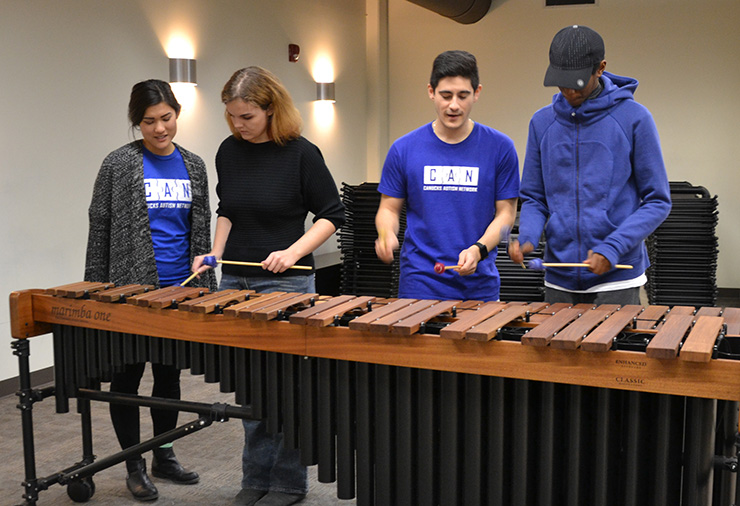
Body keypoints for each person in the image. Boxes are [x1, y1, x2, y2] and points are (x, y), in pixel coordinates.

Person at [190, 66, 345, 506]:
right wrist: (213, 253)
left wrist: (294, 252)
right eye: (233, 116)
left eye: (247, 116)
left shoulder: (302, 154)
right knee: (250, 387)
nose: (238, 125)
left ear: (271, 110)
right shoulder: (228, 151)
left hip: (288, 285)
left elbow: (333, 214)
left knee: (287, 388)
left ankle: (288, 484)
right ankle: (255, 478)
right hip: (234, 279)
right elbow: (228, 208)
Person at [85, 79, 216, 501]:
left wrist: (205, 288)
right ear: (135, 123)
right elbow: (99, 230)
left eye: (166, 118)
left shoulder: (193, 165)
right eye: (148, 122)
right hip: (129, 290)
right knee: (126, 377)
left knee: (168, 374)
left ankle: (164, 453)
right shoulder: (118, 164)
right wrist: (94, 291)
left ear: (177, 114)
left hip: (180, 288)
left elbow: (201, 231)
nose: (159, 129)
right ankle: (134, 463)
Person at [508, 25, 671, 305]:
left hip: (619, 277)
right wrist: (528, 237)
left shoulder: (634, 118)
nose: (569, 90)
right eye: (562, 81)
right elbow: (535, 197)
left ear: (600, 68)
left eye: (578, 82)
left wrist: (613, 247)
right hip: (559, 277)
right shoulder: (542, 123)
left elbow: (658, 201)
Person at [375, 50, 519, 301]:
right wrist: (386, 235)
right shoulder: (404, 148)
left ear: (477, 93)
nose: (454, 105)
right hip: (420, 283)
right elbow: (389, 208)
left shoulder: (500, 148)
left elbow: (506, 215)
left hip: (480, 285)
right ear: (431, 92)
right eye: (445, 95)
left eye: (463, 96)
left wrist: (479, 249)